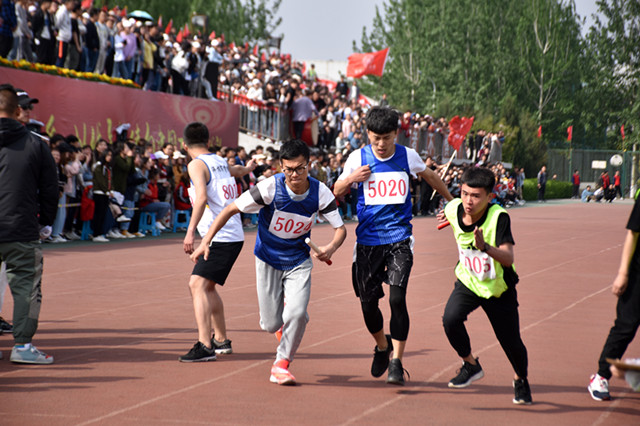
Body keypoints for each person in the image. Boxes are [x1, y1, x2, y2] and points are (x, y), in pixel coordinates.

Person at [191, 139, 346, 385]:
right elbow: (230, 209)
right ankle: (289, 319)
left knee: (296, 312)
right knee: (271, 322)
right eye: (288, 169)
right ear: (281, 167)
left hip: (298, 260)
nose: (294, 175)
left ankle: (281, 364)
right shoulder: (269, 188)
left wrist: (331, 247)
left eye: (300, 168)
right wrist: (205, 241)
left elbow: (340, 229)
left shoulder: (320, 192)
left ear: (309, 165)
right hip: (267, 259)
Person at [333, 106, 453, 385]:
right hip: (367, 241)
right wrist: (352, 179)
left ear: (396, 134)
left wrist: (451, 201)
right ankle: (382, 346)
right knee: (368, 306)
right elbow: (337, 190)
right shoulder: (356, 158)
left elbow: (431, 176)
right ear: (368, 134)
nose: (381, 144)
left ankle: (397, 361)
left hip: (399, 238)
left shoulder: (407, 155)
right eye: (376, 138)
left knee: (398, 298)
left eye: (387, 138)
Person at [440, 167, 532, 404]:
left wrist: (485, 248)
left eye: (476, 196)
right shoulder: (453, 209)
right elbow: (451, 212)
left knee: (511, 342)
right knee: (450, 319)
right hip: (468, 282)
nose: (468, 201)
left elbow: (508, 258)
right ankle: (470, 364)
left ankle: (520, 378)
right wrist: (446, 217)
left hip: (497, 288)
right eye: (464, 193)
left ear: (490, 196)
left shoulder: (499, 217)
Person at [180, 122, 256, 363]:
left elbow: (201, 198)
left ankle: (205, 345)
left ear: (184, 145)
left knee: (197, 285)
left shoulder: (196, 165)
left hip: (219, 236)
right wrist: (248, 168)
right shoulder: (219, 161)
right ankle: (221, 340)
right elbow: (237, 172)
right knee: (207, 287)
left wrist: (190, 232)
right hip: (230, 235)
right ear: (208, 141)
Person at [0, 83, 58, 363]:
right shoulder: (36, 144)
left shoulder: (37, 143)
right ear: (17, 110)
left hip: (19, 226)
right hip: (21, 228)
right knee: (26, 287)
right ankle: (22, 346)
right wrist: (45, 223)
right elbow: (50, 190)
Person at [588, 191, 640, 401]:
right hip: (638, 275)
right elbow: (633, 234)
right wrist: (623, 273)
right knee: (626, 327)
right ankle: (601, 376)